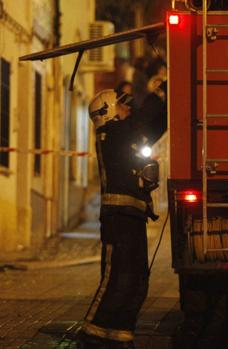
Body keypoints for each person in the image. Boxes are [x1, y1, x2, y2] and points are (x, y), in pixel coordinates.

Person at [78, 89, 159, 349]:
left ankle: (119, 335)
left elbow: (145, 129)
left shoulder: (121, 137)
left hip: (131, 216)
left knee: (137, 280)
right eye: (122, 107)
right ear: (108, 112)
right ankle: (91, 332)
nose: (128, 110)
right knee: (116, 278)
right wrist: (162, 92)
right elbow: (147, 120)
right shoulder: (111, 134)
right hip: (118, 219)